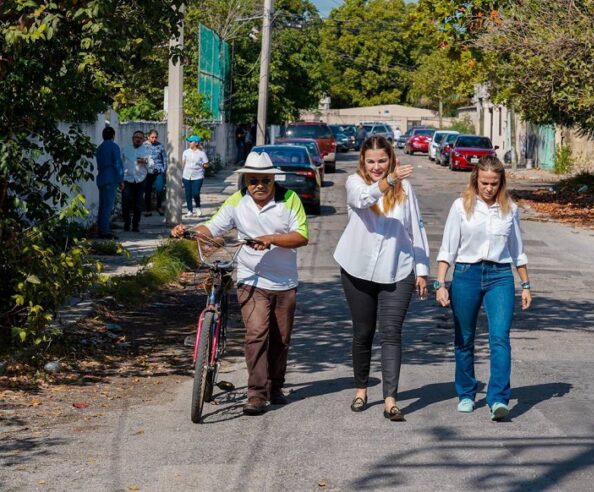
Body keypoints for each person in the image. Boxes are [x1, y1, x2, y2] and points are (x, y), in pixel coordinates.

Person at [171, 151, 309, 416]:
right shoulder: (237, 201)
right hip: (250, 279)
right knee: (256, 333)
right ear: (245, 181)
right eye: (253, 180)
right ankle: (256, 394)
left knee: (281, 339)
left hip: (284, 282)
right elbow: (213, 229)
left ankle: (275, 385)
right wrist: (187, 231)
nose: (259, 186)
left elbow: (301, 236)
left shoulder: (289, 200)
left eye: (265, 181)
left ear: (273, 180)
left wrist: (271, 238)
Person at [333, 135, 430, 422]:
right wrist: (386, 181)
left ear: (392, 159)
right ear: (363, 161)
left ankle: (391, 399)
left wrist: (422, 271)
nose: (376, 166)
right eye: (371, 161)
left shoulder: (406, 189)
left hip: (397, 270)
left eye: (382, 161)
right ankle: (361, 390)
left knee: (391, 333)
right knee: (363, 332)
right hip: (357, 268)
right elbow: (362, 200)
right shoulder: (355, 183)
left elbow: (416, 229)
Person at [434, 155, 532, 421]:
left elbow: (517, 250)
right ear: (475, 180)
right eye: (484, 183)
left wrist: (525, 284)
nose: (488, 188)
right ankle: (466, 393)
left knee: (500, 338)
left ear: (501, 183)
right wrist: (440, 283)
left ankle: (499, 398)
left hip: (500, 276)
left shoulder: (510, 209)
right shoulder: (460, 206)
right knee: (464, 339)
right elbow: (448, 249)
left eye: (494, 184)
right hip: (466, 274)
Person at [121, 130, 153, 233]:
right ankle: (126, 223)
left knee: (138, 204)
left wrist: (145, 161)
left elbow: (152, 165)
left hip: (140, 180)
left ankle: (135, 225)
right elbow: (120, 163)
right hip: (127, 179)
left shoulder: (146, 150)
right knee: (125, 202)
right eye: (136, 137)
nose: (138, 139)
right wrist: (120, 178)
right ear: (133, 138)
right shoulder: (126, 149)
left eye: (140, 138)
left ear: (143, 140)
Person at [95, 126, 123, 239]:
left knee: (102, 206)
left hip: (101, 178)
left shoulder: (100, 148)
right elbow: (117, 163)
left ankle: (101, 229)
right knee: (107, 206)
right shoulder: (114, 147)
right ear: (113, 136)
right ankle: (105, 231)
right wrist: (121, 179)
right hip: (110, 178)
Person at [182, 135, 209, 217]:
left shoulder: (202, 153)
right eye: (189, 141)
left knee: (196, 193)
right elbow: (183, 163)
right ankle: (190, 210)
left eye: (191, 141)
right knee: (188, 193)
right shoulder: (185, 152)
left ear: (196, 143)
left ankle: (198, 207)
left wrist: (203, 165)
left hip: (198, 176)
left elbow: (206, 164)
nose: (189, 143)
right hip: (186, 176)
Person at [144, 129, 167, 216]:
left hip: (159, 171)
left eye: (156, 137)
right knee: (147, 191)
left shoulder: (160, 145)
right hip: (147, 171)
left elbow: (164, 158)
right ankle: (147, 209)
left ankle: (159, 207)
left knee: (159, 189)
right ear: (148, 137)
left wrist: (164, 169)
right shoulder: (143, 146)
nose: (154, 139)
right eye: (152, 137)